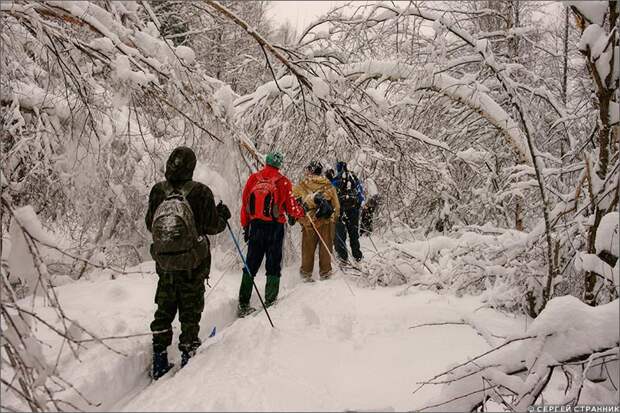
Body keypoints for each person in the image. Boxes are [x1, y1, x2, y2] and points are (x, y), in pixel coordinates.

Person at [145, 146, 231, 380]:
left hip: (165, 264)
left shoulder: (157, 191)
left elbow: (149, 224)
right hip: (194, 263)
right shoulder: (201, 192)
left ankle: (160, 356)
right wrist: (222, 215)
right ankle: (188, 351)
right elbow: (213, 226)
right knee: (190, 310)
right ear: (191, 167)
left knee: (164, 307)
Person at [238, 151, 305, 317]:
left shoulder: (254, 178)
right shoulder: (283, 182)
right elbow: (291, 208)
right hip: (275, 228)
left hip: (255, 226)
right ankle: (270, 301)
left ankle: (243, 303)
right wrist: (301, 211)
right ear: (279, 164)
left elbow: (245, 202)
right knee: (273, 264)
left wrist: (246, 226)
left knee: (250, 264)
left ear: (266, 162)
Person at [293, 161, 340, 281]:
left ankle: (306, 274)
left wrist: (301, 220)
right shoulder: (328, 185)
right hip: (325, 222)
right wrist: (333, 219)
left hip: (308, 221)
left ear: (310, 170)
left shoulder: (301, 185)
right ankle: (325, 274)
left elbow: (294, 204)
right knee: (325, 248)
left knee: (307, 249)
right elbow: (337, 206)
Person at [331, 161, 364, 264]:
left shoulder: (336, 180)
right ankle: (357, 256)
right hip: (354, 209)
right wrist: (358, 205)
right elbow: (360, 194)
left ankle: (343, 258)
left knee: (340, 235)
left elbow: (331, 194)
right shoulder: (354, 178)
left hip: (341, 210)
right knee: (353, 234)